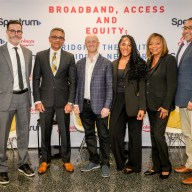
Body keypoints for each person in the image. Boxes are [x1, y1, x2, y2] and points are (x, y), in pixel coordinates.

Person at [33, 28, 76, 174]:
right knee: (45, 131)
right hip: (44, 101)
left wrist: (70, 102)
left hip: (63, 102)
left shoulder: (69, 57)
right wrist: (37, 100)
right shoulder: (40, 56)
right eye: (54, 37)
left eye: (60, 37)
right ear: (49, 38)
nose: (57, 40)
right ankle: (45, 160)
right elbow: (36, 79)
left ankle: (66, 160)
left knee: (65, 132)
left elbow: (73, 81)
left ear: (64, 40)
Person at [0, 20, 35, 185]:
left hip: (24, 98)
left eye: (19, 31)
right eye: (12, 30)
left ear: (22, 33)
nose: (16, 33)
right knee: (2, 136)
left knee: (23, 133)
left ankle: (23, 163)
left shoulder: (28, 53)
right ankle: (1, 168)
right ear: (7, 32)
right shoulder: (0, 51)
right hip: (5, 99)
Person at [74, 34, 112, 178]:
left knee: (103, 136)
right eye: (88, 42)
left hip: (101, 107)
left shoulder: (106, 63)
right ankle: (94, 160)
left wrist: (107, 106)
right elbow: (76, 86)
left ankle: (105, 164)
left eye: (93, 41)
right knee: (89, 135)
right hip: (84, 106)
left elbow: (109, 87)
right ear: (85, 44)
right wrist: (76, 103)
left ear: (98, 43)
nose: (91, 43)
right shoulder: (79, 64)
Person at [109, 35, 147, 173]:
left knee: (134, 136)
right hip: (116, 102)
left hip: (134, 103)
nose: (126, 47)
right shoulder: (113, 64)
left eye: (129, 44)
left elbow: (143, 88)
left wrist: (142, 107)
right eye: (123, 44)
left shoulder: (140, 63)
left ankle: (134, 165)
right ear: (119, 45)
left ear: (133, 47)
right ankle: (121, 160)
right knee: (113, 134)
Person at [144, 33, 177, 179]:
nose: (154, 46)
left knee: (158, 134)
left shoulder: (169, 59)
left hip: (162, 106)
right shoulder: (149, 60)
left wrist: (165, 106)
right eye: (151, 44)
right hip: (151, 105)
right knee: (153, 135)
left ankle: (166, 166)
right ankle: (156, 166)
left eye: (157, 43)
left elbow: (172, 85)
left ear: (162, 44)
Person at [174, 17, 192, 185]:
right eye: (185, 27)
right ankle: (190, 164)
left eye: (189, 28)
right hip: (183, 98)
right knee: (188, 134)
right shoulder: (183, 45)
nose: (186, 30)